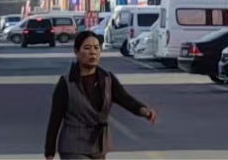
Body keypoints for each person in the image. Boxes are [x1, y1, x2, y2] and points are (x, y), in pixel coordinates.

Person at [44, 30, 156, 159]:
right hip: (73, 146)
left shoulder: (107, 79)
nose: (93, 52)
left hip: (98, 146)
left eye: (96, 48)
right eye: (87, 48)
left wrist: (144, 111)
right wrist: (49, 151)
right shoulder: (66, 83)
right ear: (77, 51)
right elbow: (55, 119)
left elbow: (125, 99)